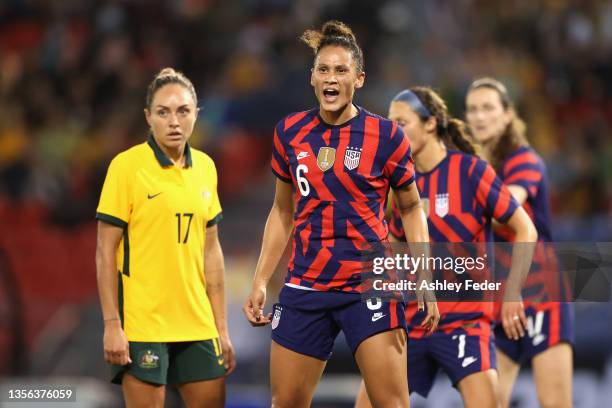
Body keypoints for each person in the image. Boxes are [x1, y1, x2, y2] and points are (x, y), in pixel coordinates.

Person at [242, 21, 439, 408]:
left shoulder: (386, 136)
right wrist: (261, 279)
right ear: (312, 78)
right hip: (306, 282)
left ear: (359, 79)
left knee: (393, 405)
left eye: (341, 70)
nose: (331, 78)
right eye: (324, 69)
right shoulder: (289, 132)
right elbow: (283, 211)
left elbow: (412, 207)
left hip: (370, 281)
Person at [355, 87, 538, 408]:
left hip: (465, 322)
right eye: (390, 124)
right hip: (411, 323)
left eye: (402, 123)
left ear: (430, 124)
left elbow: (525, 229)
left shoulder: (471, 171)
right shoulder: (397, 184)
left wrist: (512, 293)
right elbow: (395, 249)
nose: (393, 133)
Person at [95, 67, 235, 408]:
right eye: (163, 112)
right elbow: (104, 251)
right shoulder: (126, 167)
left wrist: (222, 328)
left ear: (196, 114)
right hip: (144, 325)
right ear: (148, 117)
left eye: (183, 111)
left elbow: (211, 251)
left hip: (198, 324)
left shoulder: (206, 167)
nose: (174, 121)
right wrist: (112, 324)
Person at [465, 77, 574, 408]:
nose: (479, 116)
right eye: (472, 109)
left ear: (508, 114)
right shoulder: (473, 167)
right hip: (498, 295)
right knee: (488, 401)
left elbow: (505, 210)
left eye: (488, 108)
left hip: (541, 290)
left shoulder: (523, 160)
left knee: (554, 402)